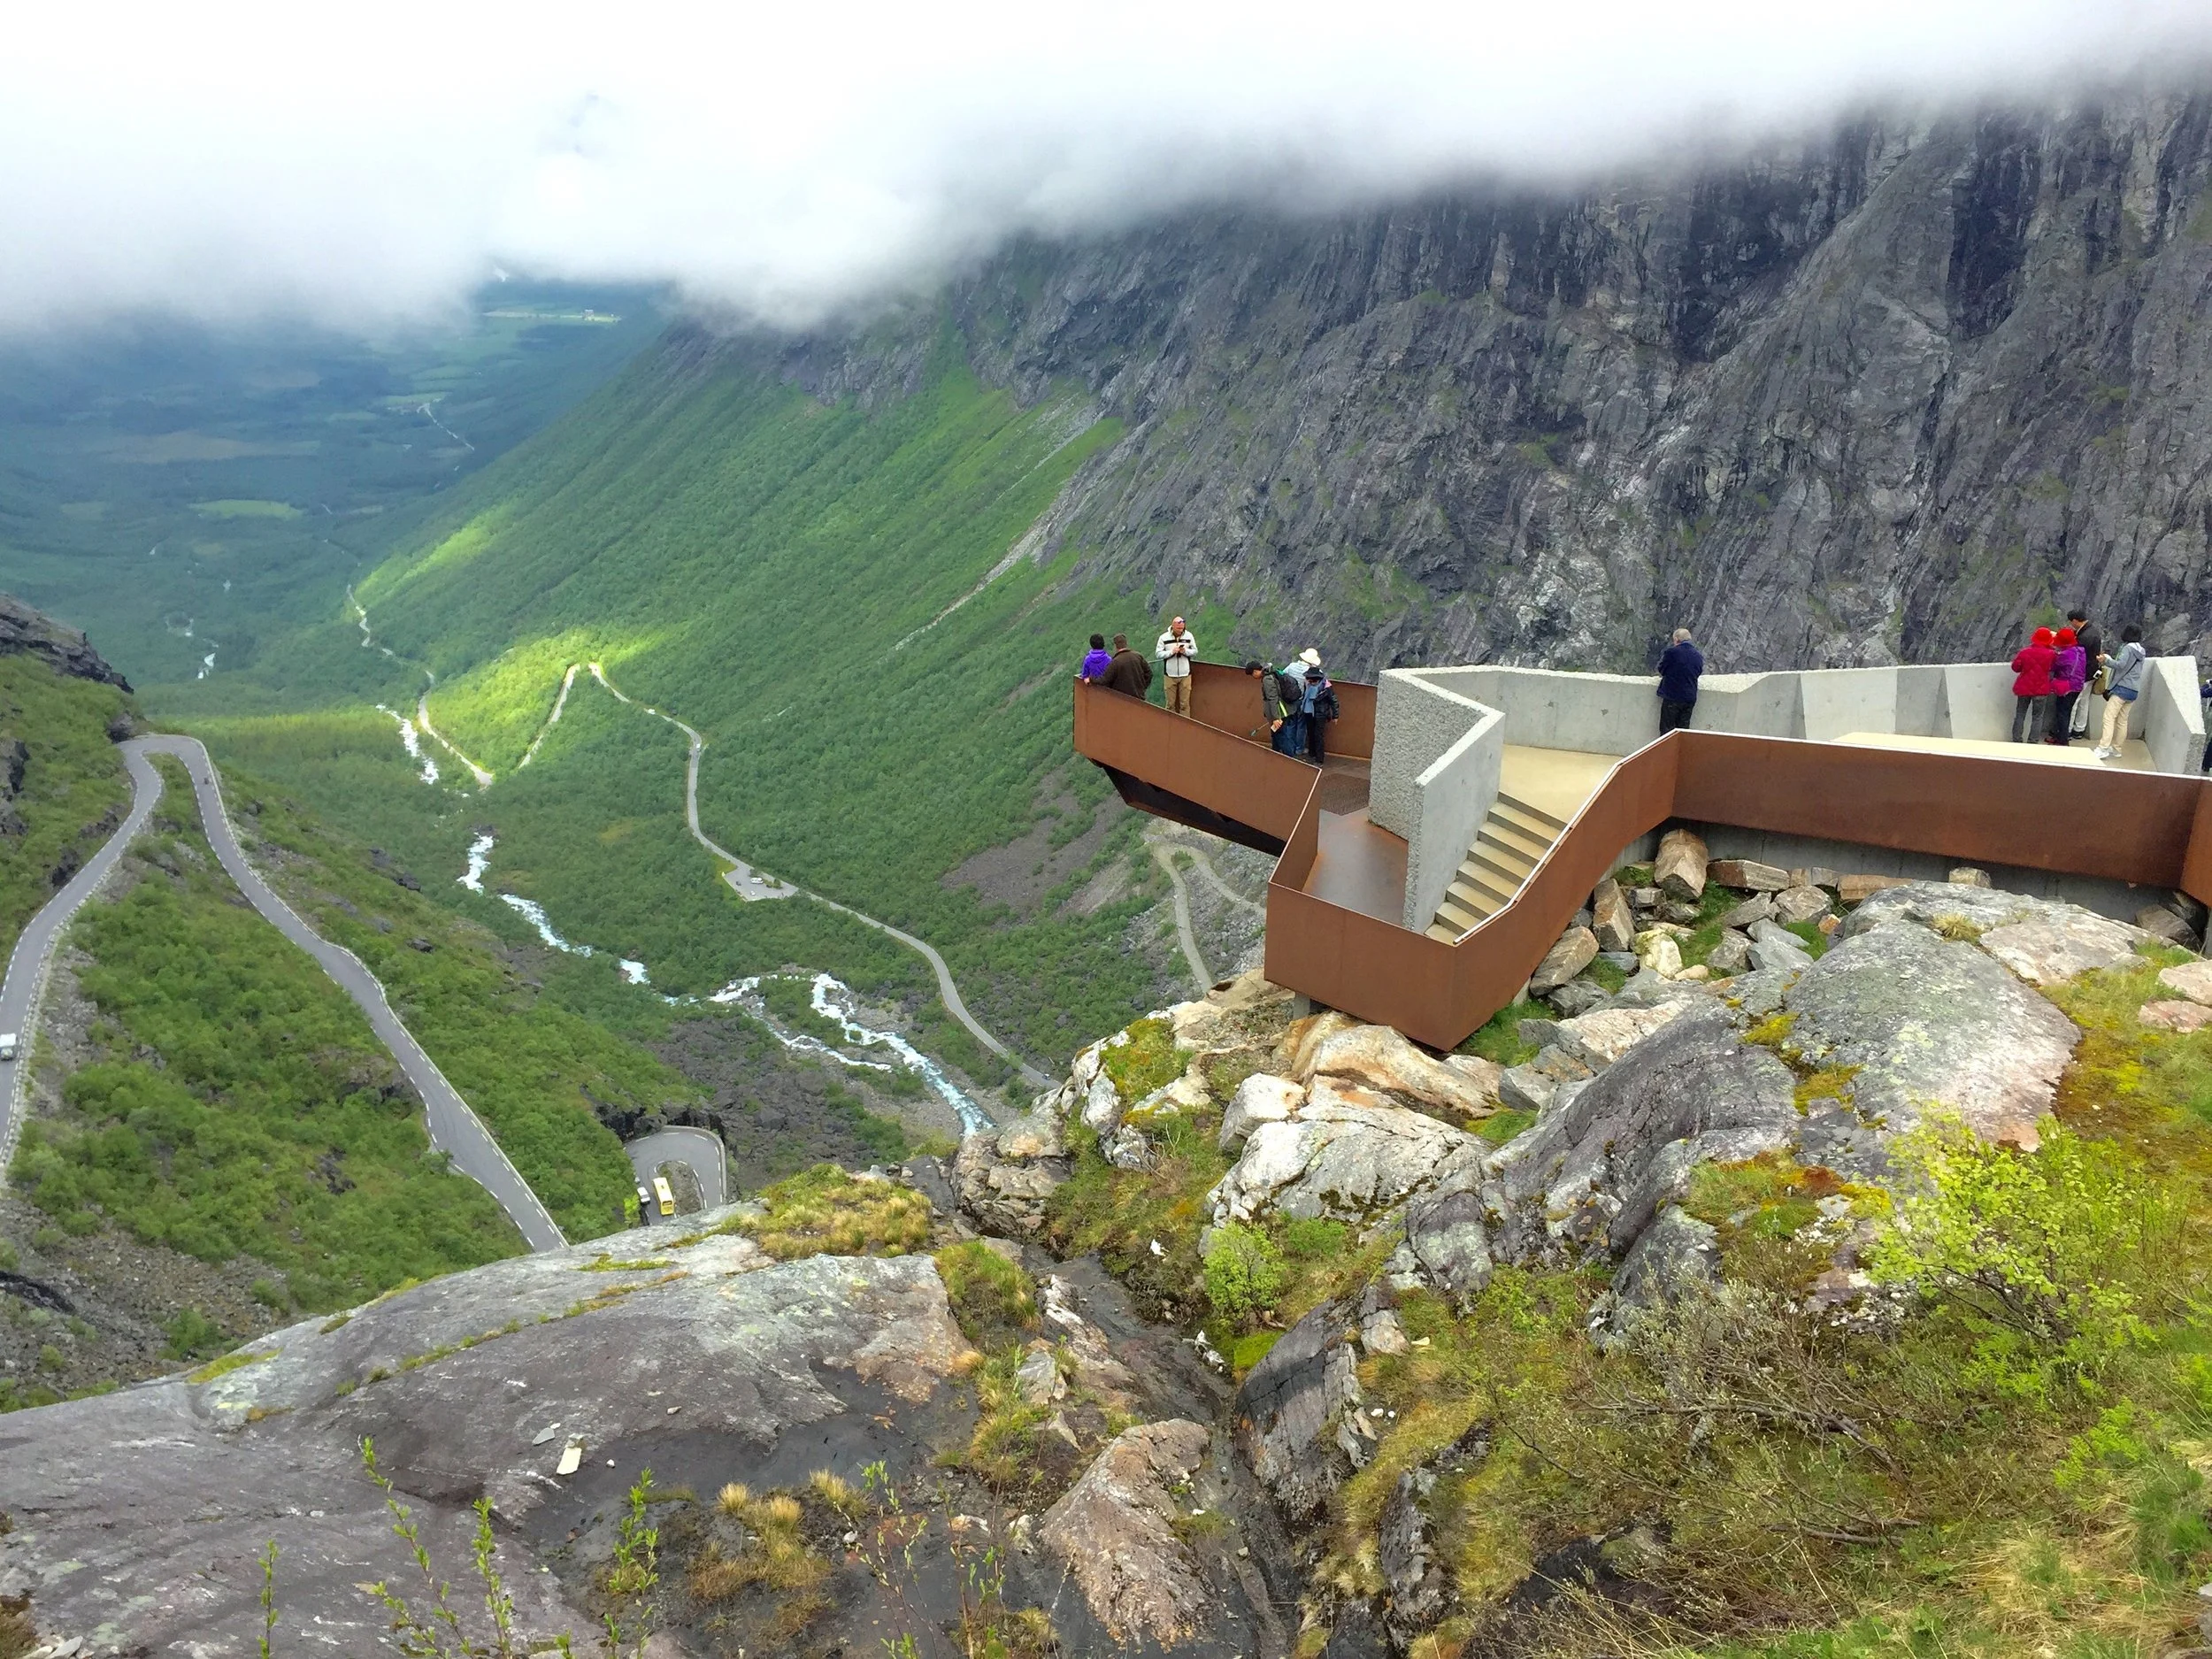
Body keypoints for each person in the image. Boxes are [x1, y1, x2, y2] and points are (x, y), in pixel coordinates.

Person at [2096, 625, 2147, 759]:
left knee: (2109, 717)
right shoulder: (2141, 650)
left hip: (2122, 688)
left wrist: (2105, 660)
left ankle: (2103, 748)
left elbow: (2121, 665)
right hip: (2133, 690)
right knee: (2122, 721)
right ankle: (2117, 749)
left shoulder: (2127, 648)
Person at [2010, 626, 2057, 743]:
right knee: (2037, 717)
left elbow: (2016, 668)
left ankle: (2017, 740)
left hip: (2024, 687)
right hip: (2041, 689)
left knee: (2020, 714)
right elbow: (2055, 668)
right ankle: (2033, 741)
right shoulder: (2052, 654)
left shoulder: (2024, 652)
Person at [1656, 627, 1703, 733]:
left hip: (1673, 696)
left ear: (1677, 639)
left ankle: (1667, 750)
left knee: (1667, 731)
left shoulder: (1672, 652)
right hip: (1689, 697)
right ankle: (1681, 750)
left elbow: (1662, 669)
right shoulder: (1698, 655)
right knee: (1683, 731)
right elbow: (1698, 672)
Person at [1296, 650, 1338, 764]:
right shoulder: (1308, 684)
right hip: (1308, 712)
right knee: (1310, 733)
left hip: (1320, 714)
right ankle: (1312, 754)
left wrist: (1335, 715)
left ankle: (1319, 759)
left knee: (1318, 735)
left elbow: (1333, 700)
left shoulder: (1326, 687)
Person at [1247, 659, 1295, 752]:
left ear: (1255, 671)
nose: (1253, 677)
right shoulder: (1270, 675)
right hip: (1281, 710)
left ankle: (1291, 759)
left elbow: (1273, 698)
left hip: (1280, 712)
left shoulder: (1267, 680)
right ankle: (1275, 753)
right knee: (1275, 734)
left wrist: (1276, 718)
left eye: (1252, 674)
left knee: (1281, 736)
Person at [2047, 626, 2085, 746]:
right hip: (2078, 686)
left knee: (2062, 713)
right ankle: (2061, 737)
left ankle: (2062, 740)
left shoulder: (2065, 655)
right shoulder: (2080, 651)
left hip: (2067, 687)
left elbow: (2053, 666)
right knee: (2067, 712)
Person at [1156, 617, 1198, 716]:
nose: (1181, 630)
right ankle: (1170, 726)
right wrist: (1171, 652)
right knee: (1170, 705)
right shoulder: (1163, 638)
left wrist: (1185, 651)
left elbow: (1195, 651)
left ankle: (1185, 726)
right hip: (1170, 675)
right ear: (1173, 626)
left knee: (1185, 704)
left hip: (1185, 674)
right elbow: (1158, 654)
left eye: (1182, 628)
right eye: (1178, 628)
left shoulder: (1189, 636)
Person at [1100, 633, 1153, 700]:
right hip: (1139, 698)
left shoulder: (1115, 662)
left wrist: (1091, 679)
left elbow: (1105, 680)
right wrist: (1142, 687)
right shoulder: (1138, 656)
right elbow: (1149, 673)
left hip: (1121, 700)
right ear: (1126, 643)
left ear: (1115, 646)